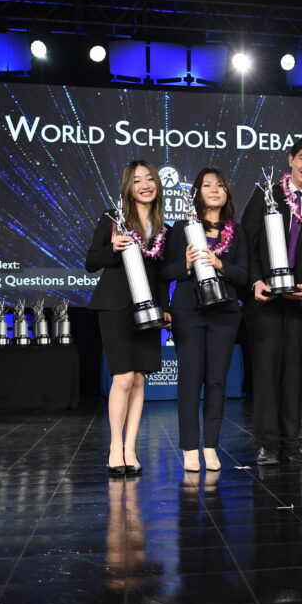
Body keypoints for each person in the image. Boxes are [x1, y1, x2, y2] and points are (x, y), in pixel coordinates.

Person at [242, 135, 302, 465]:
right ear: (290, 159)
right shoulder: (266, 196)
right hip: (266, 300)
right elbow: (248, 245)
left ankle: (291, 441)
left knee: (294, 374)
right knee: (266, 372)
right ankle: (267, 443)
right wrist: (254, 280)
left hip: (300, 303)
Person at [86, 160, 170, 477]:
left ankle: (131, 447)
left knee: (138, 379)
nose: (146, 184)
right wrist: (113, 248)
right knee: (122, 377)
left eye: (150, 179)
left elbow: (162, 276)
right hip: (115, 306)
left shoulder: (165, 228)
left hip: (148, 311)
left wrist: (164, 307)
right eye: (138, 181)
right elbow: (91, 262)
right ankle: (114, 447)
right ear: (128, 188)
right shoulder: (112, 219)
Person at [163, 168, 248, 473]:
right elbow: (165, 272)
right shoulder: (181, 229)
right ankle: (189, 448)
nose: (214, 189)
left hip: (225, 314)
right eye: (207, 185)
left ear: (227, 193)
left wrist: (220, 264)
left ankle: (211, 446)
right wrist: (185, 264)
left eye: (220, 184)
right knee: (190, 380)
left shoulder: (237, 232)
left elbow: (245, 275)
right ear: (197, 192)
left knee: (216, 381)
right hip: (189, 312)